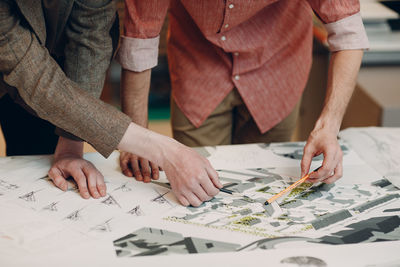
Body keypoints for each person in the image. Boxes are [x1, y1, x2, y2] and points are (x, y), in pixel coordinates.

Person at [117, 0, 369, 185]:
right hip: (199, 65)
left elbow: (348, 32)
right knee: (197, 184)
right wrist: (139, 137)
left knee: (264, 183)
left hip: (278, 65)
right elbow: (140, 39)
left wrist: (329, 125)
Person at [0, 0, 222, 207]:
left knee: (43, 168)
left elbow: (91, 34)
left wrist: (71, 143)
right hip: (13, 69)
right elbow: (34, 77)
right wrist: (165, 150)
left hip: (58, 67)